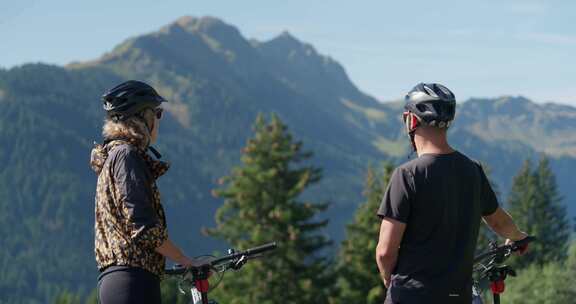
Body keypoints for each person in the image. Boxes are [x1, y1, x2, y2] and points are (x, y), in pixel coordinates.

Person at [375, 83, 529, 304]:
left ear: (411, 120)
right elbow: (498, 222)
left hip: (412, 295)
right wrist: (519, 237)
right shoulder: (472, 170)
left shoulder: (407, 175)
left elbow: (385, 252)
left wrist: (390, 281)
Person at [90, 80, 205, 304]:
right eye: (157, 113)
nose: (159, 120)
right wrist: (186, 261)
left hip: (122, 281)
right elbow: (142, 227)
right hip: (132, 283)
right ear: (142, 117)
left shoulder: (113, 157)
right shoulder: (126, 156)